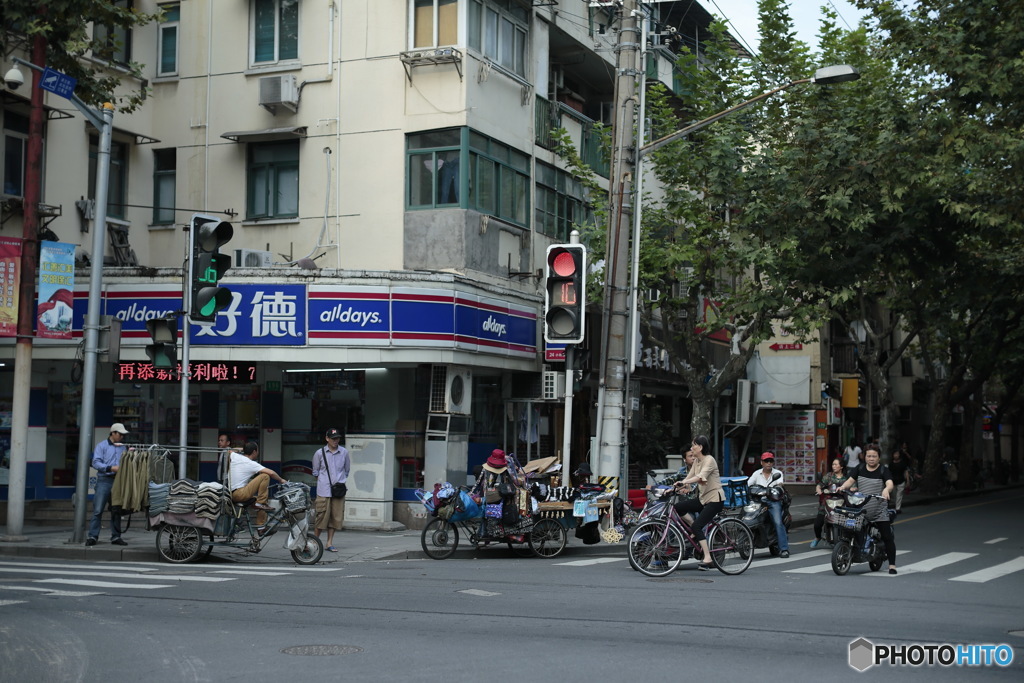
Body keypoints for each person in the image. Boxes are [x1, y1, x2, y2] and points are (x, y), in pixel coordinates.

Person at [838, 445, 898, 575]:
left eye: (874, 456)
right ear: (865, 457)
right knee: (850, 529)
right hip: (861, 510)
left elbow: (890, 483)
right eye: (869, 456)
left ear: (879, 458)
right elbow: (849, 481)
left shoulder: (883, 470)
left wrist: (886, 490)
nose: (871, 459)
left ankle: (892, 565)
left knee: (887, 537)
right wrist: (842, 487)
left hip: (879, 511)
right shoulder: (859, 468)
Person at [672, 435, 726, 571]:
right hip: (703, 499)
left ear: (700, 447)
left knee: (697, 526)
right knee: (678, 507)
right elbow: (689, 477)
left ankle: (707, 557)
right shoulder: (696, 462)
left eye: (694, 445)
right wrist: (675, 487)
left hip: (715, 499)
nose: (691, 448)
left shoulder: (710, 460)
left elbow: (700, 477)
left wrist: (685, 482)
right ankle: (694, 530)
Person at [87, 423, 130, 546]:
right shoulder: (102, 446)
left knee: (116, 509)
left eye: (123, 434)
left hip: (118, 480)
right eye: (120, 434)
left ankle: (116, 537)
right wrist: (110, 468)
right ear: (113, 433)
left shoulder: (123, 447)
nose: (122, 437)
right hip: (104, 480)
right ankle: (92, 536)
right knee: (98, 509)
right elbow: (96, 463)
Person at [229, 442, 286, 528]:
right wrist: (281, 480)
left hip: (232, 493)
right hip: (240, 493)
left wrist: (243, 449)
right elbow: (271, 472)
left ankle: (261, 527)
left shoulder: (236, 457)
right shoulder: (250, 463)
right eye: (257, 451)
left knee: (261, 500)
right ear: (254, 452)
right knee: (264, 476)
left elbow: (229, 450)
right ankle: (260, 505)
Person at [311, 428, 350, 552]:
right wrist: (324, 482)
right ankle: (314, 542)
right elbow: (315, 471)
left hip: (338, 490)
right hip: (324, 490)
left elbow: (347, 470)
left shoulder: (344, 452)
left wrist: (339, 481)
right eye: (333, 438)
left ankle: (329, 543)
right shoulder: (319, 453)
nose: (336, 441)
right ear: (327, 438)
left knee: (335, 517)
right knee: (321, 517)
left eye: (337, 438)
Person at [747, 452, 790, 558]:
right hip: (758, 502)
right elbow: (748, 485)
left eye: (771, 461)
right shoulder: (756, 474)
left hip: (773, 502)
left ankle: (784, 549)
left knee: (778, 522)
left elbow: (780, 484)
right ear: (762, 462)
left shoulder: (777, 473)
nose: (769, 463)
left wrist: (778, 487)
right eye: (766, 461)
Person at [811, 458, 847, 548]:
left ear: (841, 466)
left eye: (836, 464)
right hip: (827, 502)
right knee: (817, 524)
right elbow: (820, 485)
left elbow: (853, 486)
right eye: (833, 464)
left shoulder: (846, 478)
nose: (833, 466)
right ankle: (817, 537)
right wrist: (818, 490)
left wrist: (853, 489)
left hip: (842, 503)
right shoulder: (829, 476)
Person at [888, 448, 911, 514]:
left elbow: (906, 472)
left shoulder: (903, 463)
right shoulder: (891, 464)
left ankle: (898, 508)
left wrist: (908, 480)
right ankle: (896, 506)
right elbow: (889, 473)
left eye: (897, 454)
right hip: (893, 481)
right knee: (894, 494)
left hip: (901, 480)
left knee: (899, 495)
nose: (896, 455)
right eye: (895, 454)